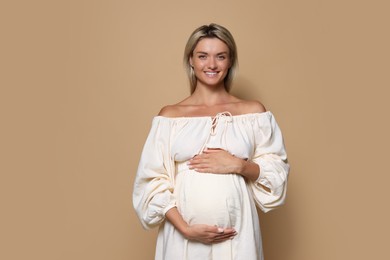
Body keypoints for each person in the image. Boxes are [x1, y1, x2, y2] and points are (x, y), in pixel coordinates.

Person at [133, 23, 290, 260]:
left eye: (221, 56)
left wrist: (238, 165)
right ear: (191, 60)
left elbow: (277, 173)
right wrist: (186, 229)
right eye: (203, 56)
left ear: (230, 62)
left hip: (239, 239)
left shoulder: (253, 113)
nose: (212, 65)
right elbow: (151, 182)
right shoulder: (170, 117)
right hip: (182, 239)